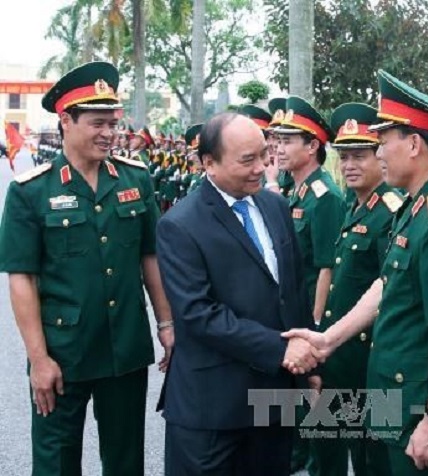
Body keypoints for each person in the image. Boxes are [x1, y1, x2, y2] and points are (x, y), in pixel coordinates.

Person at [284, 70, 428, 475]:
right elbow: (385, 284)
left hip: (416, 411)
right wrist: (328, 339)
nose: (377, 155)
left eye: (383, 143)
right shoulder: (417, 205)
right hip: (392, 397)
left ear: (413, 144)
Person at [0, 61, 173, 475]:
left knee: (126, 460)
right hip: (62, 354)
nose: (109, 133)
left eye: (113, 123)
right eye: (98, 123)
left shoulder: (136, 179)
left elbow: (150, 256)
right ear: (65, 120)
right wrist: (38, 359)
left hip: (125, 350)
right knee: (56, 463)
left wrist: (167, 325)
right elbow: (22, 278)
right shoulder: (31, 191)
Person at [156, 112, 320, 476]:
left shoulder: (275, 206)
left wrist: (309, 362)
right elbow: (199, 314)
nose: (261, 167)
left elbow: (292, 291)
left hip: (274, 398)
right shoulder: (180, 225)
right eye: (247, 160)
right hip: (213, 405)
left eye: (264, 155)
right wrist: (281, 349)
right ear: (209, 163)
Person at [311, 102, 404, 476]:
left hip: (370, 359)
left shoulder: (391, 211)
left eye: (360, 155)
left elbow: (390, 292)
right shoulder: (355, 206)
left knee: (373, 457)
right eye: (344, 156)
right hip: (343, 355)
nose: (349, 164)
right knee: (340, 446)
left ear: (380, 157)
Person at [275, 95, 346, 473]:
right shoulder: (294, 190)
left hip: (310, 316)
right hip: (290, 313)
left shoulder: (325, 197)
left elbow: (326, 268)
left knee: (318, 406)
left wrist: (315, 325)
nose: (278, 147)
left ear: (313, 146)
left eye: (288, 141)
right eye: (278, 139)